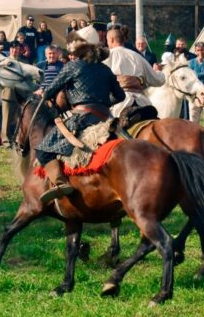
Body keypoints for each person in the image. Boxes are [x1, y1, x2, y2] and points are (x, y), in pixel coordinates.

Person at [36, 30, 125, 203]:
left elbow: (49, 92)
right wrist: (104, 103)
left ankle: (61, 183)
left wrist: (43, 93)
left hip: (82, 118)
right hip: (106, 118)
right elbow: (120, 96)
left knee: (43, 149)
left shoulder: (73, 66)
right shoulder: (105, 69)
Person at [104, 27, 165, 118]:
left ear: (112, 40)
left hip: (118, 104)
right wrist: (158, 72)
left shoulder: (107, 56)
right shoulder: (137, 56)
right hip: (141, 102)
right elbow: (158, 81)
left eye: (107, 40)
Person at [188, 42, 204, 123]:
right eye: (198, 50)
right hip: (194, 94)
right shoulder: (191, 62)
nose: (200, 52)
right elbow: (191, 76)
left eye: (202, 50)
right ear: (195, 51)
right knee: (193, 118)